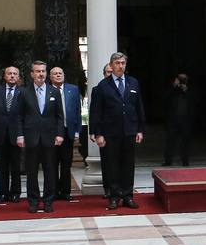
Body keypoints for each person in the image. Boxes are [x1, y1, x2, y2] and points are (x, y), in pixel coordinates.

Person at [89, 52, 145, 210]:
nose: (121, 66)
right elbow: (96, 112)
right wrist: (98, 133)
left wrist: (140, 129)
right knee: (112, 165)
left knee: (128, 164)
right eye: (117, 63)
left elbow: (139, 107)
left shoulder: (133, 83)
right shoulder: (103, 85)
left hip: (129, 131)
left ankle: (128, 195)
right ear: (111, 65)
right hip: (110, 132)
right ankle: (114, 196)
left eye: (123, 63)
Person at [17, 65, 65, 213]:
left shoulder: (54, 91)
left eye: (43, 71)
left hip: (49, 138)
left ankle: (48, 201)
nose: (41, 74)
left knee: (50, 171)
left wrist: (60, 134)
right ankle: (33, 201)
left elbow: (59, 116)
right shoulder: (24, 92)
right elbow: (19, 116)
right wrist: (20, 135)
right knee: (31, 172)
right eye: (38, 71)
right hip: (31, 138)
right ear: (32, 74)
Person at [0, 65, 25, 203]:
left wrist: (22, 134)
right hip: (0, 134)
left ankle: (16, 192)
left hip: (16, 134)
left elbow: (24, 115)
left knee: (16, 166)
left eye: (14, 74)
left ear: (18, 77)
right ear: (4, 76)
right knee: (2, 166)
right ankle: (3, 193)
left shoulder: (23, 92)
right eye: (9, 73)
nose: (12, 76)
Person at [48, 64, 81, 201]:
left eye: (60, 73)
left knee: (66, 164)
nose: (58, 75)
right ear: (50, 77)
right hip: (52, 133)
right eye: (55, 73)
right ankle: (54, 192)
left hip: (68, 132)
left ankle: (66, 192)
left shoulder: (73, 89)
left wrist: (78, 132)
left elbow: (77, 112)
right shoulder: (47, 90)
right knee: (53, 164)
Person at [162, 72, 193, 167]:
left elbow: (195, 102)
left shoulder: (190, 90)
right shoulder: (172, 90)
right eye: (180, 79)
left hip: (186, 120)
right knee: (170, 141)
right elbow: (165, 98)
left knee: (185, 142)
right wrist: (174, 86)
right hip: (173, 120)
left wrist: (186, 90)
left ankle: (185, 161)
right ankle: (168, 161)